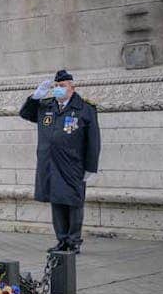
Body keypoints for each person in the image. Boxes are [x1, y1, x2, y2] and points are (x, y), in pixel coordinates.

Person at [19, 70, 101, 254]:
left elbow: (93, 140)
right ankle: (62, 240)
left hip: (72, 164)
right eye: (56, 86)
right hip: (50, 164)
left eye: (62, 86)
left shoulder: (85, 109)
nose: (58, 89)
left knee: (73, 202)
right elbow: (25, 113)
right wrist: (35, 97)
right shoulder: (46, 106)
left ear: (72, 87)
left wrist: (91, 166)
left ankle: (73, 241)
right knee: (56, 201)